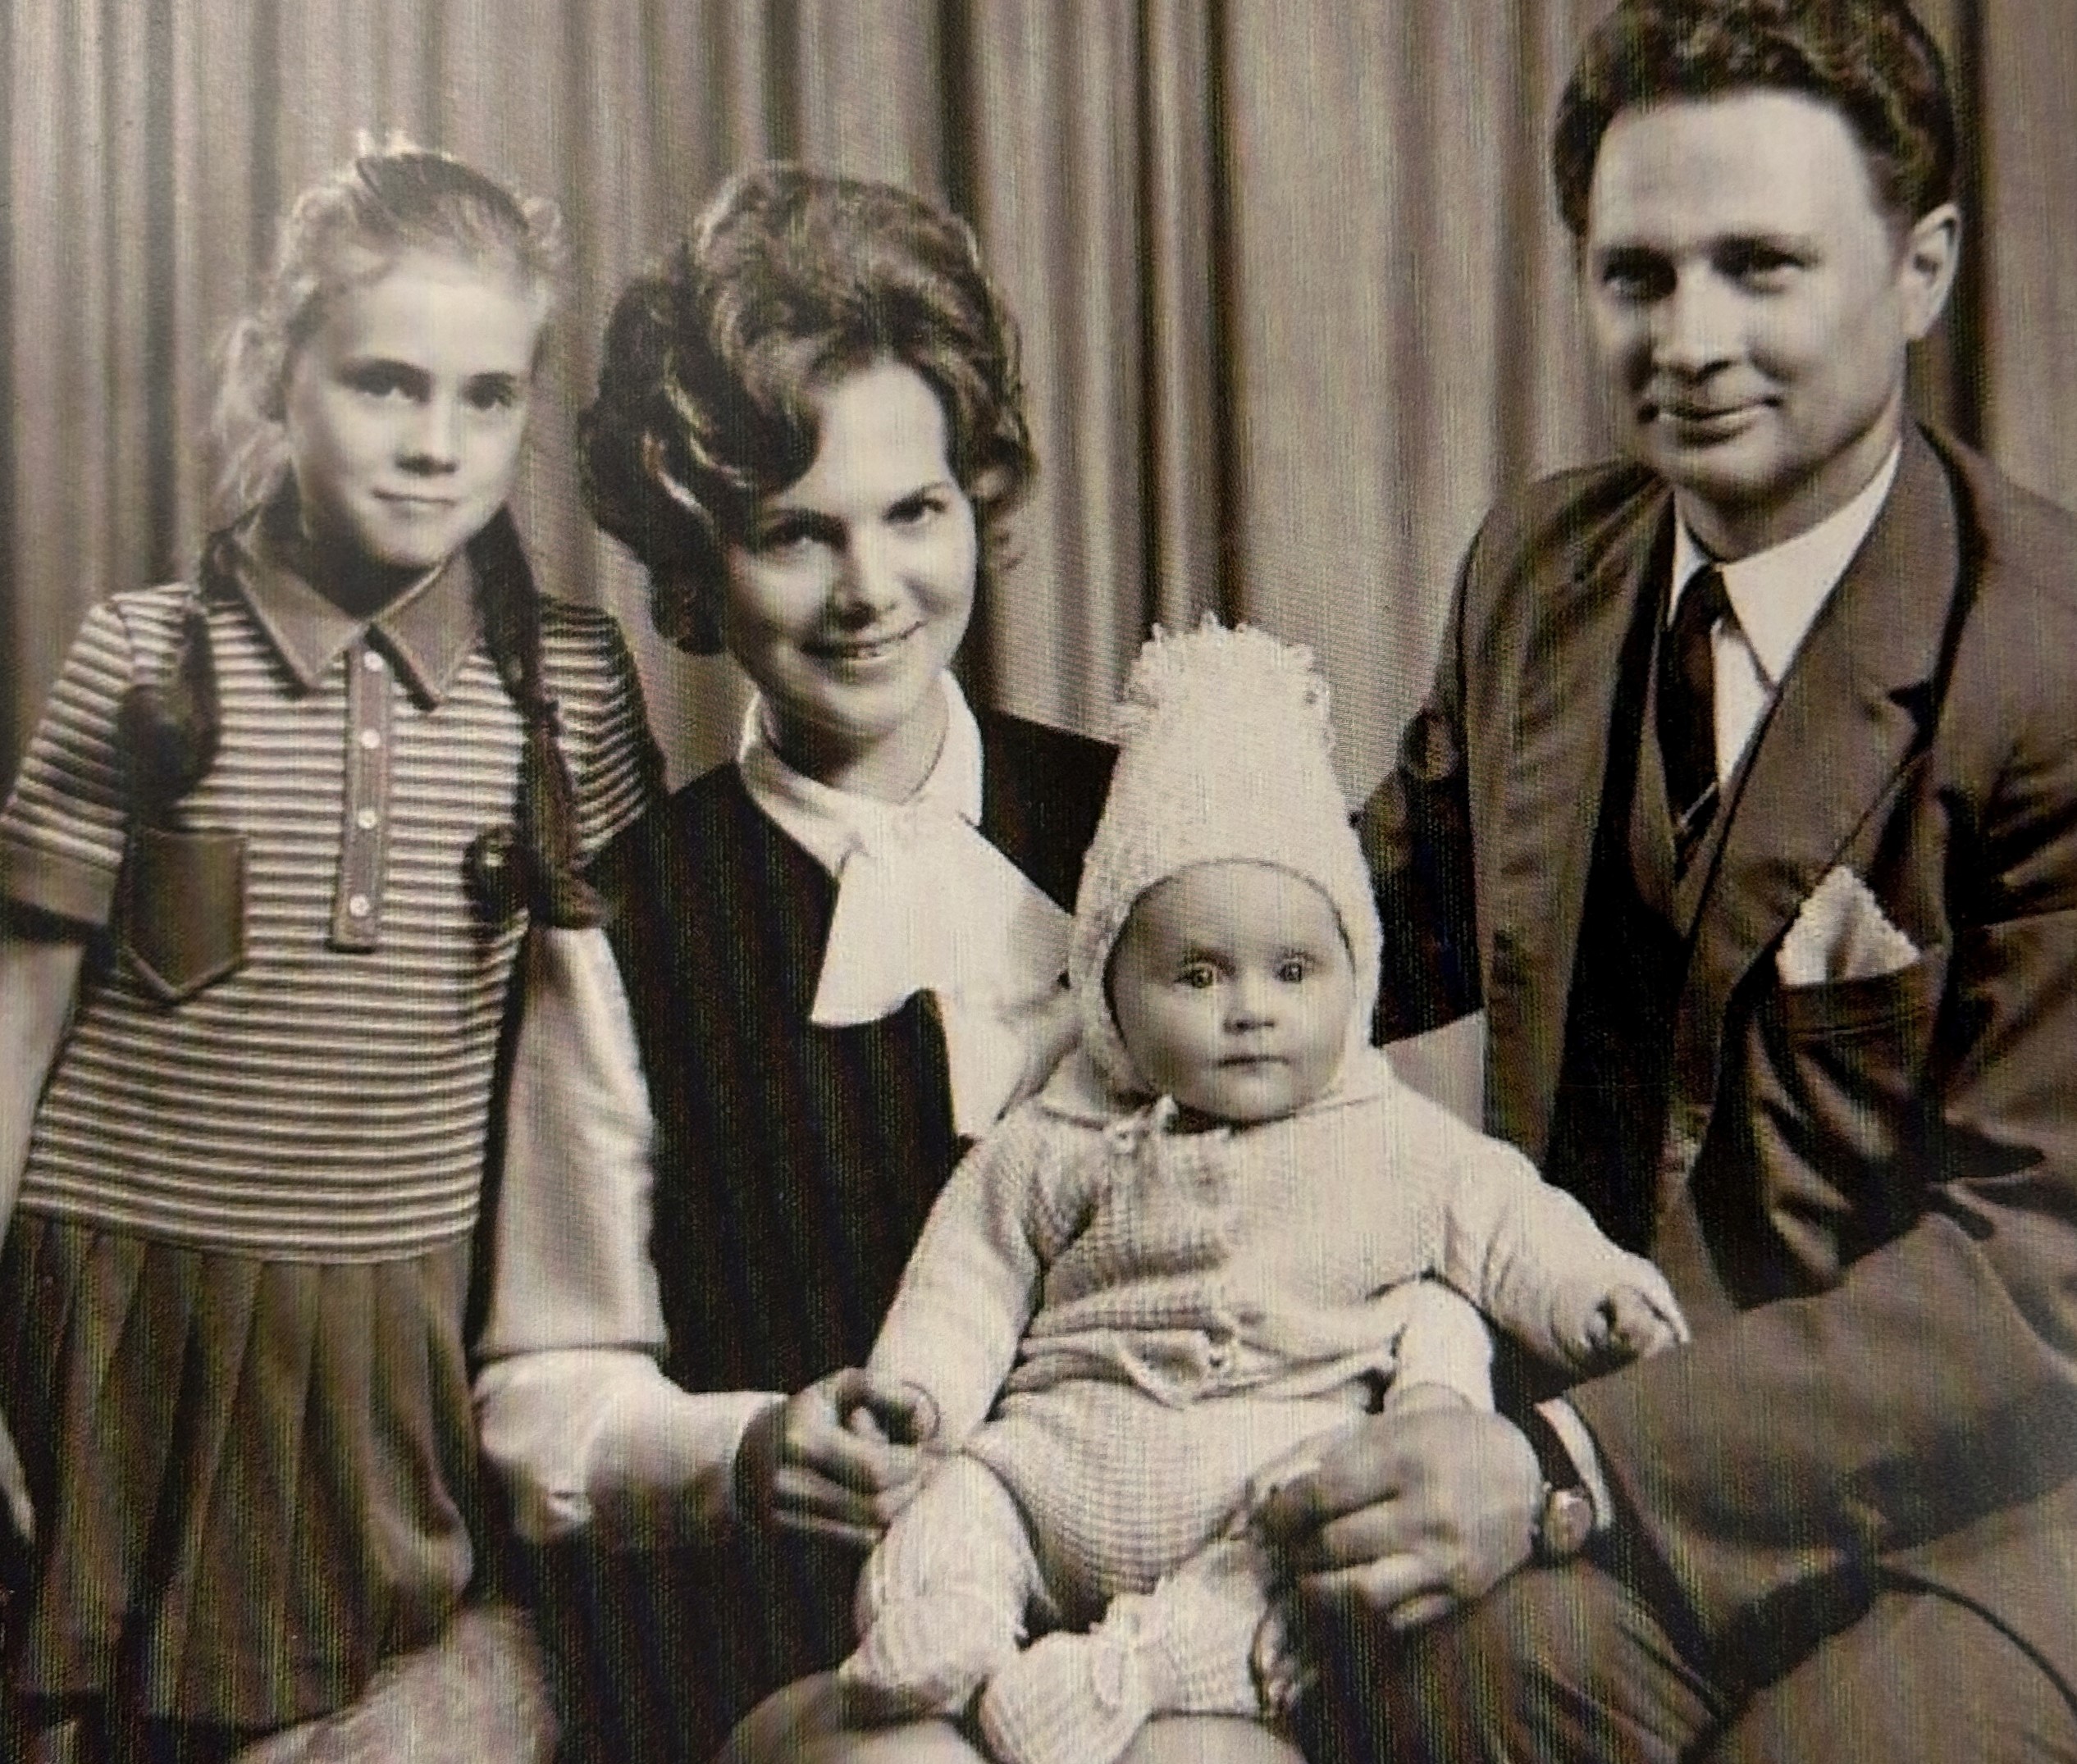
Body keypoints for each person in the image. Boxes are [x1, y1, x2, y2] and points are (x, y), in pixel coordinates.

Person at [1253, 2, 2077, 1759]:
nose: (1690, 343)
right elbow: (1341, 932)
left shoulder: (2051, 661)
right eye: (1637, 275)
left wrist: (1562, 1461)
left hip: (1989, 1512)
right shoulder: (1541, 571)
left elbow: (2040, 1274)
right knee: (1433, 1683)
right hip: (1622, 1470)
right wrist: (963, 815)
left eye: (1761, 267)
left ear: (1923, 268)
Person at [469, 165, 1140, 1762]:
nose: (869, 591)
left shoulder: (1138, 823)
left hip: (1138, 1589)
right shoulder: (630, 922)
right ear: (700, 562)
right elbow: (549, 1392)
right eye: (794, 535)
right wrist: (751, 1449)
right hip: (796, 1633)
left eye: (916, 512)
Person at [0, 145, 657, 1762]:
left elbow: (607, 1071)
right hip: (115, 1307)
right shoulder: (144, 653)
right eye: (384, 383)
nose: (437, 442)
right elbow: (14, 1023)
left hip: (388, 1333)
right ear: (271, 376)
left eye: (487, 397)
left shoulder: (569, 686)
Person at [831, 620, 1687, 1764]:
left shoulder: (1393, 1137)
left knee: (1313, 1547)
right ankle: (950, 1624)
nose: (1251, 1009)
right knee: (964, 1501)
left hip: (1266, 1481)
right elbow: (964, 1283)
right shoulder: (1056, 1134)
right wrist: (917, 1399)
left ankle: (1123, 1675)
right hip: (1063, 1458)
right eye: (1197, 974)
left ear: (1353, 975)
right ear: (1108, 984)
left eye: (1293, 971)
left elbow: (1512, 1227)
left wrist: (1594, 1296)